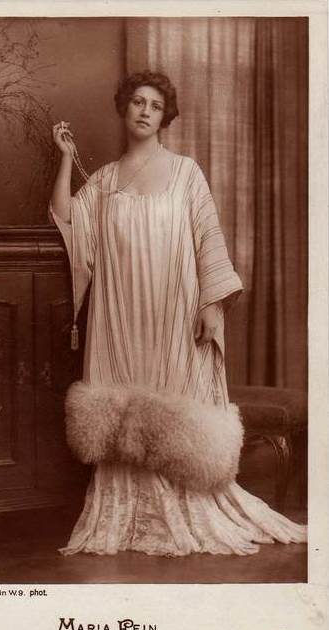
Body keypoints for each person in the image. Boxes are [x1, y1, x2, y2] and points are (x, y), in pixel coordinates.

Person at [49, 70, 307, 556]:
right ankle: (127, 510)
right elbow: (67, 220)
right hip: (120, 315)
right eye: (137, 102)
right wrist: (66, 158)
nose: (145, 111)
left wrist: (211, 303)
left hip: (174, 309)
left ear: (165, 115)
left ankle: (182, 506)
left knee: (174, 404)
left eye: (155, 105)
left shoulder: (186, 172)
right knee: (125, 407)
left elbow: (208, 239)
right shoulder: (104, 181)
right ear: (124, 109)